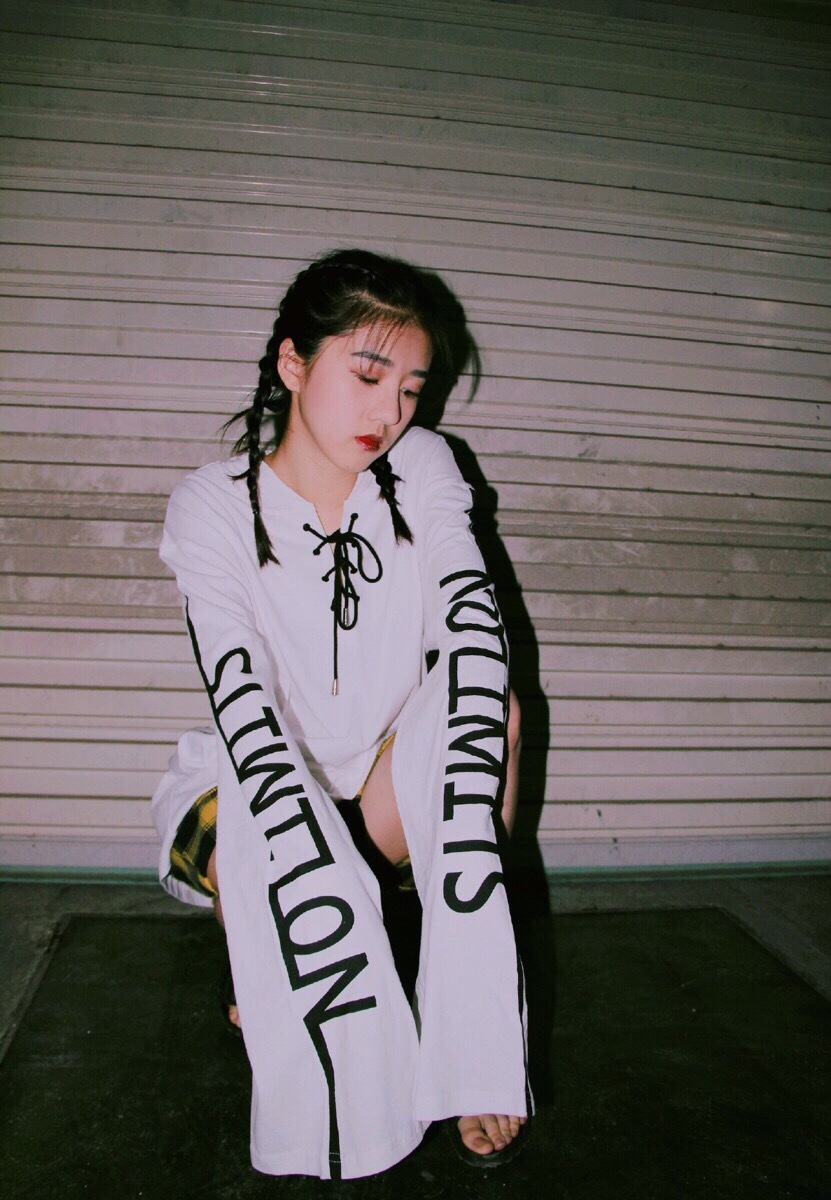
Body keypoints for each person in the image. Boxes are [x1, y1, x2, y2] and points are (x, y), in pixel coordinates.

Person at [151, 248, 531, 1180]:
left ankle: (465, 1034)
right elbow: (239, 694)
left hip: (378, 786)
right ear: (292, 363)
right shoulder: (212, 503)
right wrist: (301, 906)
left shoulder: (424, 466)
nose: (389, 411)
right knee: (257, 808)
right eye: (366, 376)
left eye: (411, 388)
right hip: (253, 788)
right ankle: (269, 955)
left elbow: (470, 617)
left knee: (491, 703)